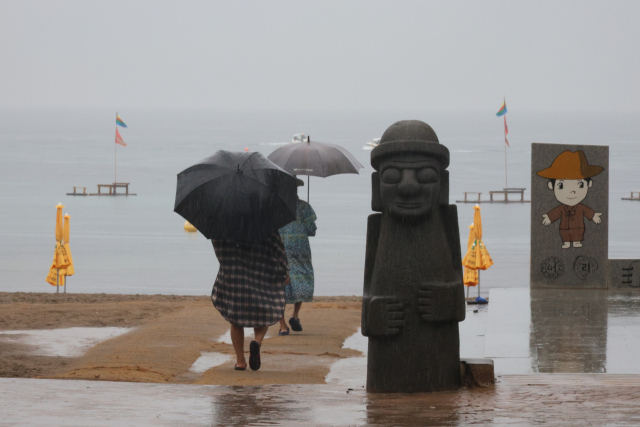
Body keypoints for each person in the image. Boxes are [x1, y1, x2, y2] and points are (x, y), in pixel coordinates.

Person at [211, 232, 289, 371]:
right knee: (263, 312)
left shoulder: (224, 222)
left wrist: (225, 263)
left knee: (235, 318)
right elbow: (278, 247)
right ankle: (256, 342)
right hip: (261, 271)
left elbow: (217, 243)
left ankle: (240, 361)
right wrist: (284, 271)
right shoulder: (264, 221)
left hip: (235, 272)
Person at [537, 150, 604, 249]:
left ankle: (577, 242)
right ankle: (566, 242)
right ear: (551, 186)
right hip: (564, 228)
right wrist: (549, 218)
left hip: (578, 228)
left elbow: (586, 211)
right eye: (561, 185)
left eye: (580, 185)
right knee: (565, 234)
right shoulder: (561, 208)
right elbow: (556, 212)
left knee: (578, 234)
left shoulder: (581, 207)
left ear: (589, 184)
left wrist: (593, 215)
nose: (572, 192)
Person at [277, 178, 317, 335]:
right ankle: (295, 315)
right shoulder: (304, 207)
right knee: (301, 277)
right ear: (296, 191)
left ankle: (282, 326)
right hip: (300, 248)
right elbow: (311, 230)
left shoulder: (276, 207)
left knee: (279, 284)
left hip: (281, 247)